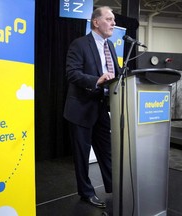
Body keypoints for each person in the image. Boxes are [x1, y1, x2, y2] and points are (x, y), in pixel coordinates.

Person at [63, 6, 121, 208]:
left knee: (107, 151)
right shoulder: (79, 44)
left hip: (102, 107)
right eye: (109, 19)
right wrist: (97, 80)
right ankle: (86, 192)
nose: (113, 23)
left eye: (113, 19)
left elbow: (116, 72)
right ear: (96, 22)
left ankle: (115, 187)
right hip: (80, 108)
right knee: (82, 155)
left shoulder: (110, 46)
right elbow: (72, 74)